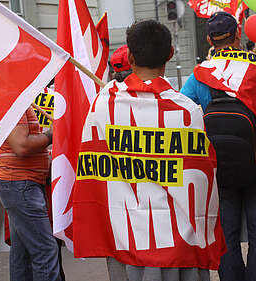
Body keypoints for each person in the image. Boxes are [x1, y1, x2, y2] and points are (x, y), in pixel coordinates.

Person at [73, 19, 226, 281]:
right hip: (179, 242)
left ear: (130, 57)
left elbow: (90, 168)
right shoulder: (188, 112)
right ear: (170, 54)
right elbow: (203, 180)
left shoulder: (103, 106)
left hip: (127, 240)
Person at [181, 11, 256, 281]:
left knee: (226, 237)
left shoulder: (199, 76)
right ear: (237, 36)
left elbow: (181, 113)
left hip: (219, 168)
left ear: (209, 39)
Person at [0, 106, 61, 281]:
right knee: (45, 250)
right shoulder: (13, 103)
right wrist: (50, 134)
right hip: (22, 185)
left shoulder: (19, 102)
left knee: (23, 252)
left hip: (22, 185)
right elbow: (21, 146)